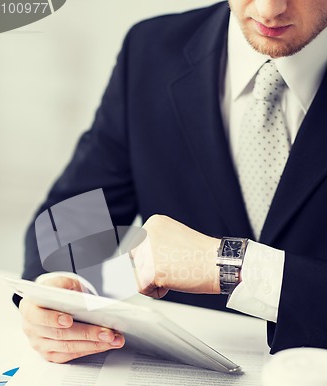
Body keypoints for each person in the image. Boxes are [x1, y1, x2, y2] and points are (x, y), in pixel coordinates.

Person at [18, 0, 327, 363]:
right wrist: (53, 298)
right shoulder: (151, 50)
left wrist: (235, 267)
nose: (268, 9)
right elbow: (70, 222)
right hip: (174, 381)